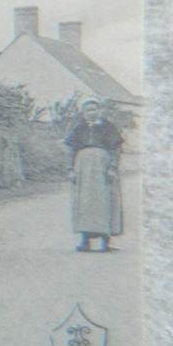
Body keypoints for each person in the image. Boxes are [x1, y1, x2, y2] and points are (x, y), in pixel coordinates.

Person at [64, 97, 124, 252]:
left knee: (105, 200)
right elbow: (71, 150)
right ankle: (85, 241)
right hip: (82, 167)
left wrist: (112, 167)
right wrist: (70, 169)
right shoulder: (78, 128)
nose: (91, 113)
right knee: (84, 202)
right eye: (87, 110)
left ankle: (106, 242)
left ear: (99, 111)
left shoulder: (108, 127)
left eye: (94, 109)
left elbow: (116, 149)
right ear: (83, 112)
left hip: (102, 166)